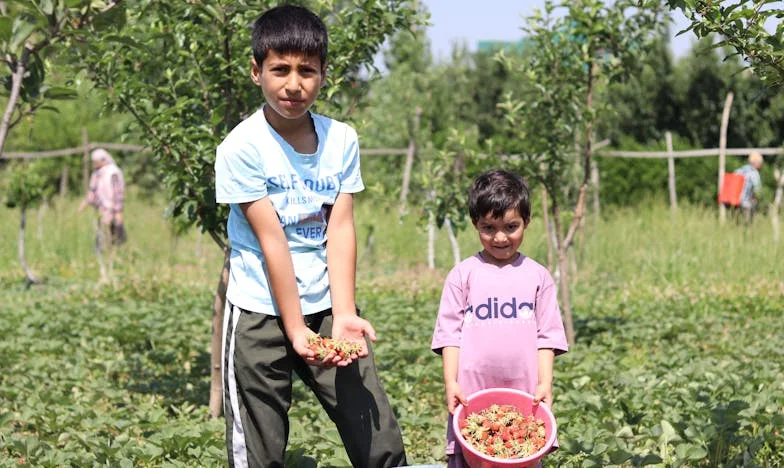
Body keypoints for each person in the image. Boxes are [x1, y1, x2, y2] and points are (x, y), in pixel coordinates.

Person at [214, 6, 406, 468]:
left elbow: (339, 228)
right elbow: (272, 239)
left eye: (308, 70)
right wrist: (294, 328)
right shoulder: (242, 147)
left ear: (324, 75)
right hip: (259, 308)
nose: (293, 84)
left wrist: (343, 313)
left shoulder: (341, 140)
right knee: (261, 447)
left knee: (376, 433)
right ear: (256, 70)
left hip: (326, 304)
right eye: (280, 69)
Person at [431, 169, 569, 468]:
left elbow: (547, 336)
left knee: (519, 451)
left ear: (527, 222)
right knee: (472, 454)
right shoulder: (462, 275)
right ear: (475, 224)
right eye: (488, 227)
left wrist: (545, 383)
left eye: (511, 226)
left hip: (525, 397)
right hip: (471, 397)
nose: (500, 237)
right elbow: (449, 335)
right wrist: (451, 382)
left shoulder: (538, 276)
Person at [733, 150, 764, 224]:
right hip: (746, 203)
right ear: (757, 163)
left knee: (737, 224)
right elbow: (758, 190)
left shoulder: (740, 170)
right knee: (747, 225)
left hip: (735, 201)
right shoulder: (754, 173)